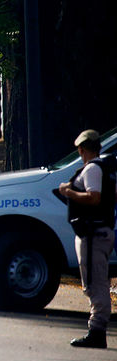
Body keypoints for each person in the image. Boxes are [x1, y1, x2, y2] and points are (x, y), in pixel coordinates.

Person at [58, 129, 115, 348]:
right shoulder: (107, 169)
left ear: (82, 149)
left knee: (95, 283)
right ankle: (96, 328)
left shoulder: (93, 169)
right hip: (101, 232)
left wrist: (68, 191)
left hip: (93, 234)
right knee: (98, 280)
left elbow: (93, 198)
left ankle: (97, 330)